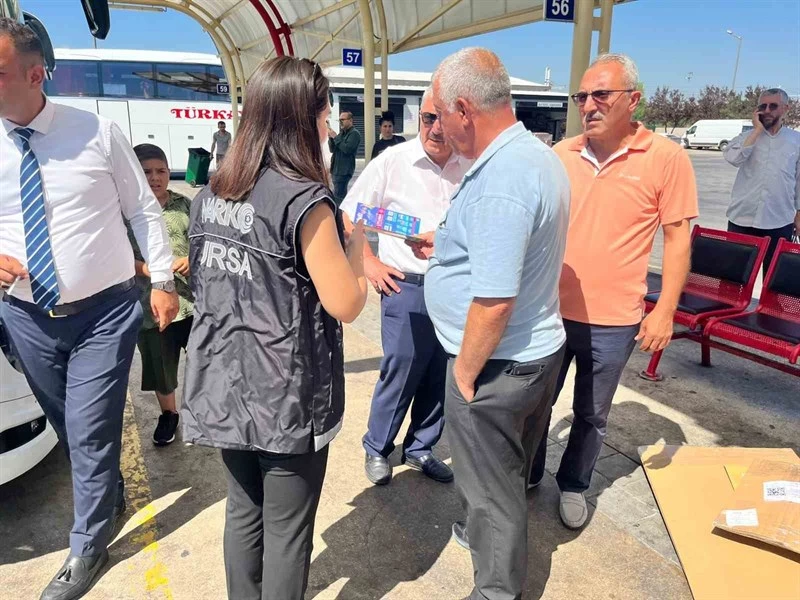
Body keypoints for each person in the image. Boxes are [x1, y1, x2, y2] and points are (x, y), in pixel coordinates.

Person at [0, 19, 178, 600]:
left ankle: (87, 544)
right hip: (26, 317)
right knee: (67, 424)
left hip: (104, 313)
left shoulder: (97, 133)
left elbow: (143, 211)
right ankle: (108, 493)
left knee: (89, 427)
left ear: (34, 75)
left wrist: (163, 280)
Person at [180, 56, 368, 600]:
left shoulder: (211, 195)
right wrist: (357, 246)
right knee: (287, 532)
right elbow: (346, 303)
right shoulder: (305, 201)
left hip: (223, 382)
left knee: (243, 511)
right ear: (301, 118)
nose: (327, 128)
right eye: (324, 116)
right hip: (284, 395)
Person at [418, 48, 570, 600]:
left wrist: (464, 376)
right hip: (531, 350)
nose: (437, 128)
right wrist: (450, 244)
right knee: (508, 472)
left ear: (465, 109)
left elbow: (494, 301)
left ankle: (496, 591)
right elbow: (507, 249)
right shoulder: (533, 156)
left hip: (496, 364)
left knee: (492, 493)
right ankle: (485, 540)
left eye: (440, 115)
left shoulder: (502, 180)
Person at [530, 53, 698, 530]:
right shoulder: (560, 156)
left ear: (633, 99)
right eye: (582, 96)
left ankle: (574, 484)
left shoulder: (666, 158)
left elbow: (678, 239)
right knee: (536, 404)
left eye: (601, 94)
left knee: (591, 413)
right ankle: (529, 474)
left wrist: (664, 311)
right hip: (549, 312)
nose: (589, 105)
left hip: (615, 319)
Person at [340, 89, 471, 486]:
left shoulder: (471, 165)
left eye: (443, 119)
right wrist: (369, 261)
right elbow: (350, 215)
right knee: (401, 368)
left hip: (456, 287)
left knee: (441, 372)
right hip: (406, 285)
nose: (435, 128)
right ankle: (378, 446)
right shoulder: (393, 161)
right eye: (428, 118)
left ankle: (420, 447)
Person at [128, 144, 194, 446]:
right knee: (161, 367)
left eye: (161, 171)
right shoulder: (125, 212)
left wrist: (193, 259)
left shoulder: (184, 205)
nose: (155, 177)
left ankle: (208, 411)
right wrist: (149, 270)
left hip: (193, 303)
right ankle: (169, 414)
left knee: (206, 360)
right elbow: (116, 257)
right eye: (146, 172)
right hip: (151, 307)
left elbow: (202, 241)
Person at [724, 88, 800, 275]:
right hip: (742, 219)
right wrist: (757, 130)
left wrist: (799, 213)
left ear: (785, 109)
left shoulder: (796, 141)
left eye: (773, 106)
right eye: (762, 106)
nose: (767, 111)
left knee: (774, 280)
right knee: (733, 278)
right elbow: (733, 158)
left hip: (779, 221)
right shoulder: (747, 137)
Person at [327, 110, 361, 203]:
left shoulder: (354, 134)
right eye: (340, 120)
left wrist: (335, 137)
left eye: (343, 119)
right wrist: (330, 138)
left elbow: (347, 149)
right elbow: (332, 149)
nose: (340, 122)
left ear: (350, 120)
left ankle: (339, 211)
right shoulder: (342, 133)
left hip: (344, 170)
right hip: (336, 169)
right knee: (339, 195)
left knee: (338, 196)